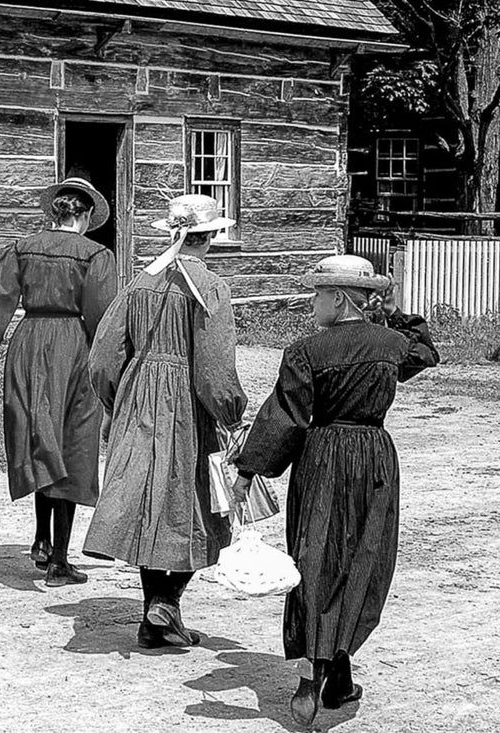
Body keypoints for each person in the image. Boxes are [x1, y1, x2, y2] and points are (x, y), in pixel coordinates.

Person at [232, 254, 439, 726]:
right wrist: (391, 314)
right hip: (373, 457)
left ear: (340, 298)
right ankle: (336, 677)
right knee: (363, 559)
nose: (313, 303)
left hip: (322, 455)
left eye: (319, 294)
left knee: (316, 558)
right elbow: (425, 350)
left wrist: (249, 470)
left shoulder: (307, 351)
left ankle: (314, 677)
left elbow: (285, 416)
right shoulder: (390, 344)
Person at [82, 194, 248, 647]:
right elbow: (214, 370)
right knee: (193, 503)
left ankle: (155, 612)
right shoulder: (210, 287)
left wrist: (120, 401)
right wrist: (230, 412)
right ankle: (167, 601)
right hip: (185, 406)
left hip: (138, 399)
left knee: (147, 503)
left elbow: (101, 358)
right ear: (211, 236)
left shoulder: (140, 282)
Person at [0, 177, 118, 586]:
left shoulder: (21, 248)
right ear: (84, 216)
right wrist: (113, 370)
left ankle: (40, 541)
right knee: (69, 444)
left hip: (28, 343)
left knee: (38, 437)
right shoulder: (96, 255)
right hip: (72, 347)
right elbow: (102, 318)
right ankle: (59, 561)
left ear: (55, 213)